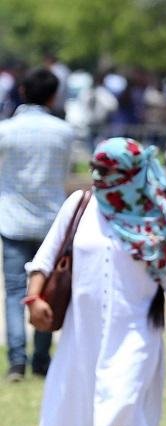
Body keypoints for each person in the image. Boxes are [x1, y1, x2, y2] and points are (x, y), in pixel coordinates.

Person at [25, 138, 166, 426]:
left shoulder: (156, 215)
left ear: (132, 173)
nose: (97, 177)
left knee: (122, 393)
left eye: (107, 170)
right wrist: (34, 298)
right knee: (91, 396)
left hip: (136, 324)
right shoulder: (80, 205)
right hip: (83, 324)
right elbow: (45, 256)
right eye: (95, 168)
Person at [0, 68, 74, 382]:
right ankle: (42, 358)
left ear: (22, 93)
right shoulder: (63, 132)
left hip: (12, 219)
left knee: (16, 290)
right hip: (51, 222)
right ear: (53, 95)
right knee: (49, 290)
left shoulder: (6, 130)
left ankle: (17, 361)